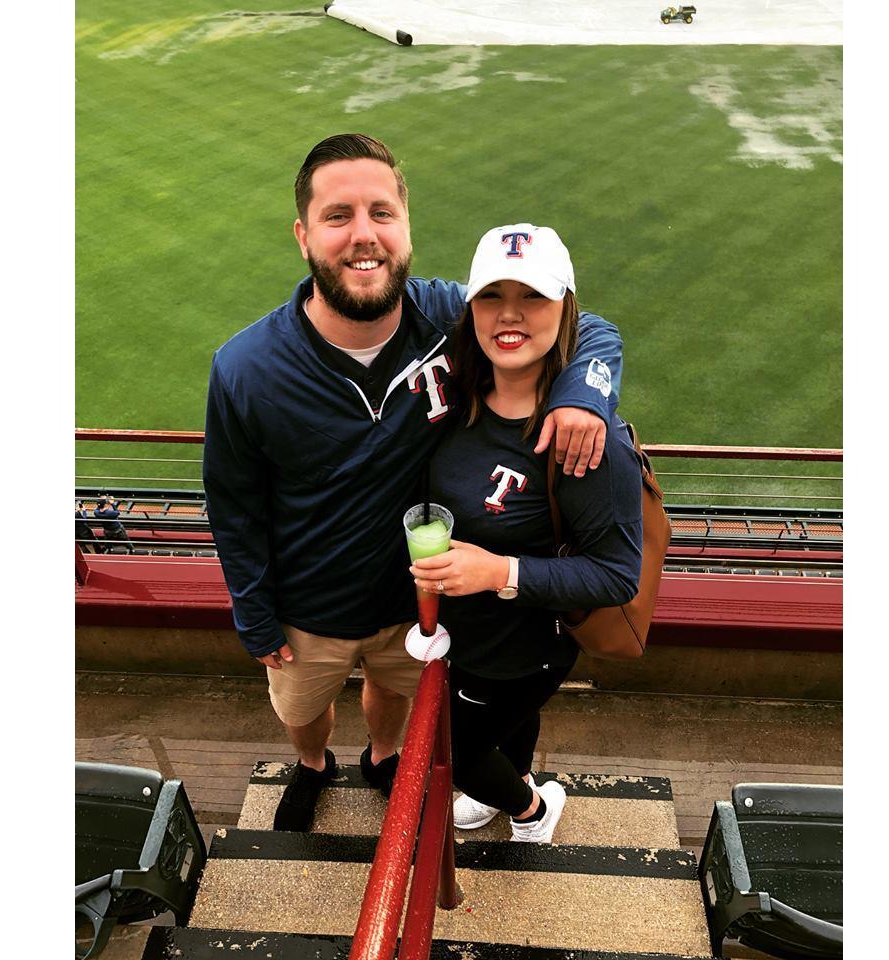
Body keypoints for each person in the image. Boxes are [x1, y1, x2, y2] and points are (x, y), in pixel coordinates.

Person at [202, 134, 624, 833]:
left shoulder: (451, 316)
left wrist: (584, 395)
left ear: (406, 228)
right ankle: (312, 765)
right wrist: (252, 607)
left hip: (421, 598)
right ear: (303, 235)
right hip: (307, 606)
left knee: (396, 698)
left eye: (381, 213)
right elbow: (233, 503)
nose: (362, 235)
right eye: (338, 216)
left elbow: (589, 328)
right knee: (303, 711)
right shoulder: (245, 367)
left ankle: (381, 756)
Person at [411, 224, 643, 843]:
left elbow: (617, 574)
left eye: (533, 296)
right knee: (503, 731)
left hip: (526, 648)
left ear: (565, 308)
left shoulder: (587, 440)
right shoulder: (456, 397)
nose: (509, 314)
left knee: (458, 752)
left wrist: (498, 572)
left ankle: (531, 811)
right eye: (492, 296)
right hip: (461, 633)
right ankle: (515, 778)